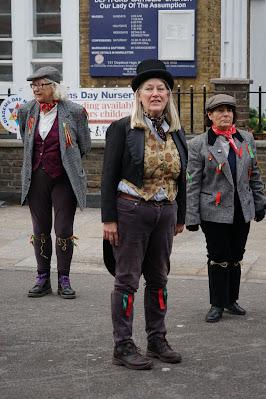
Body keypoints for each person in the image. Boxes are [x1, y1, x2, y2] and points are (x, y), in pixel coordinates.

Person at [101, 59, 187, 370]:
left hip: (165, 212)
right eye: (148, 88)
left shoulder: (175, 132)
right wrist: (108, 219)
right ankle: (122, 346)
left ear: (168, 95)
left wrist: (181, 216)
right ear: (138, 94)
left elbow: (181, 176)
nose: (155, 93)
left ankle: (156, 340)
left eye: (161, 88)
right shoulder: (122, 129)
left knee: (159, 280)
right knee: (126, 281)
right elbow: (108, 176)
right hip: (131, 211)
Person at [186, 94, 265, 322]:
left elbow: (255, 174)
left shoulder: (246, 139)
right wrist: (191, 216)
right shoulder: (199, 144)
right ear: (210, 115)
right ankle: (217, 303)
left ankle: (231, 300)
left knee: (236, 256)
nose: (225, 114)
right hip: (214, 210)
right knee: (218, 257)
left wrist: (259, 203)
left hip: (242, 208)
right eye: (219, 110)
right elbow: (193, 182)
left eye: (229, 110)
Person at [18, 66, 91, 299]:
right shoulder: (27, 111)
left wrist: (66, 161)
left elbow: (85, 145)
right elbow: (26, 140)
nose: (36, 89)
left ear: (55, 87)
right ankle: (42, 278)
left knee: (63, 229)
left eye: (41, 84)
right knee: (39, 229)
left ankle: (64, 279)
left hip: (64, 179)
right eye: (34, 85)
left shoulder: (75, 112)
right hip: (36, 177)